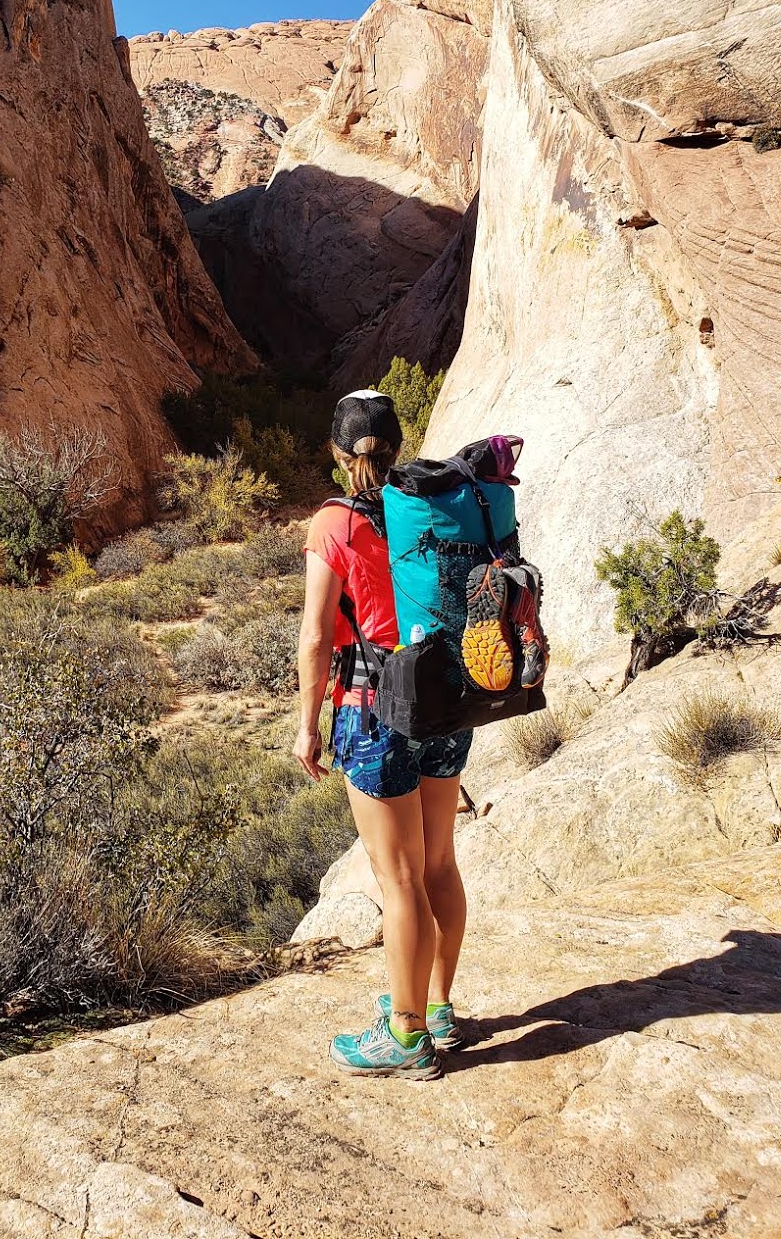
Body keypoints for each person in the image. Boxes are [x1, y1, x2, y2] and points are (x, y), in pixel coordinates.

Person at [296, 389, 471, 1076]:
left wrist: (307, 724)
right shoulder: (428, 504)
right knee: (438, 865)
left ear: (340, 455)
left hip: (374, 709)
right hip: (447, 703)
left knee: (397, 879)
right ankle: (437, 1005)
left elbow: (315, 637)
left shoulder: (333, 523)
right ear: (399, 446)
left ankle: (404, 1035)